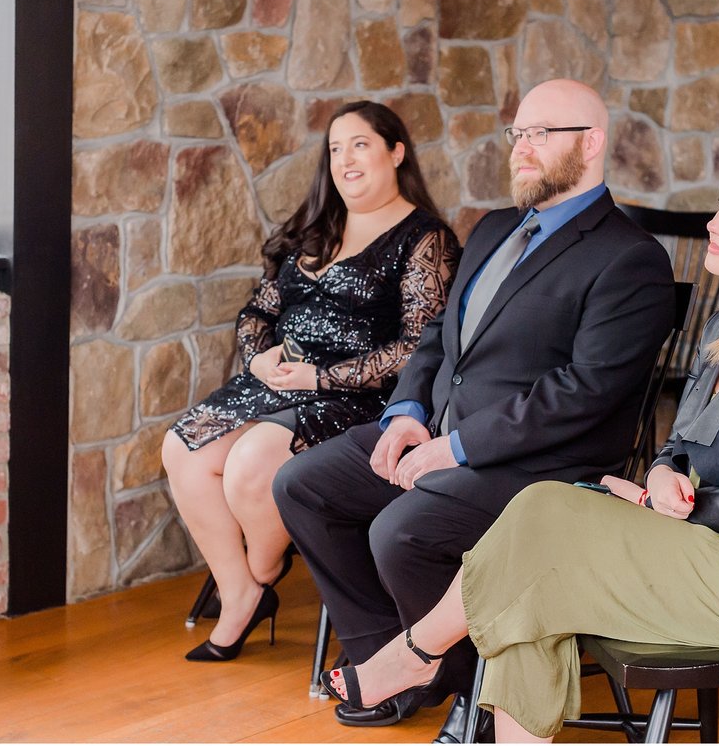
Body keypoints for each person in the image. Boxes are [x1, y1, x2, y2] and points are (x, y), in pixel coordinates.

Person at [322, 150, 719, 745]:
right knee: (531, 570)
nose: (713, 224)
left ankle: (416, 652)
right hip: (694, 546)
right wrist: (662, 476)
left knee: (543, 517)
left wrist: (652, 503)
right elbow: (678, 448)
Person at [273, 80, 675, 741]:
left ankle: (467, 689)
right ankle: (396, 657)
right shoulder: (492, 228)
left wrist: (455, 449)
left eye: (541, 134)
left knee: (402, 533)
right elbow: (438, 338)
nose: (521, 149)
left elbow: (584, 392)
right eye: (518, 134)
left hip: (543, 468)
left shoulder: (631, 258)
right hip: (440, 431)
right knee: (303, 484)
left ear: (593, 142)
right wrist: (406, 411)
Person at [162, 101, 458, 663]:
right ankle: (242, 591)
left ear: (396, 153)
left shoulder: (424, 239)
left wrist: (321, 375)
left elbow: (423, 347)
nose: (345, 159)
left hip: (355, 397)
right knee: (182, 449)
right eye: (335, 148)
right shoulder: (316, 228)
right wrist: (258, 359)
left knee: (250, 466)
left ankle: (262, 570)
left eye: (360, 144)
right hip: (276, 381)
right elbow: (256, 311)